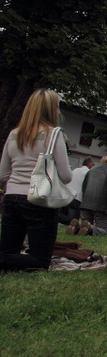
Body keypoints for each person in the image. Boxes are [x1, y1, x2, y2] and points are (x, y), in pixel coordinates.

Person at [0, 89, 73, 271]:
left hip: (11, 198)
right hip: (39, 200)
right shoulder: (54, 135)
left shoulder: (13, 135)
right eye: (57, 107)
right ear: (50, 109)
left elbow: (2, 175)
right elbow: (66, 176)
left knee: (8, 253)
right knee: (40, 261)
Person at [79, 157, 107, 236]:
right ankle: (89, 227)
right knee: (105, 230)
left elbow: (84, 187)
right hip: (101, 207)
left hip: (85, 204)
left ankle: (78, 226)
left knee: (85, 222)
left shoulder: (91, 170)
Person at [61, 157, 95, 229]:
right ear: (90, 165)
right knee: (73, 218)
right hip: (77, 197)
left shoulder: (75, 170)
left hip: (68, 194)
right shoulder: (88, 173)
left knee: (65, 214)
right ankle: (73, 225)